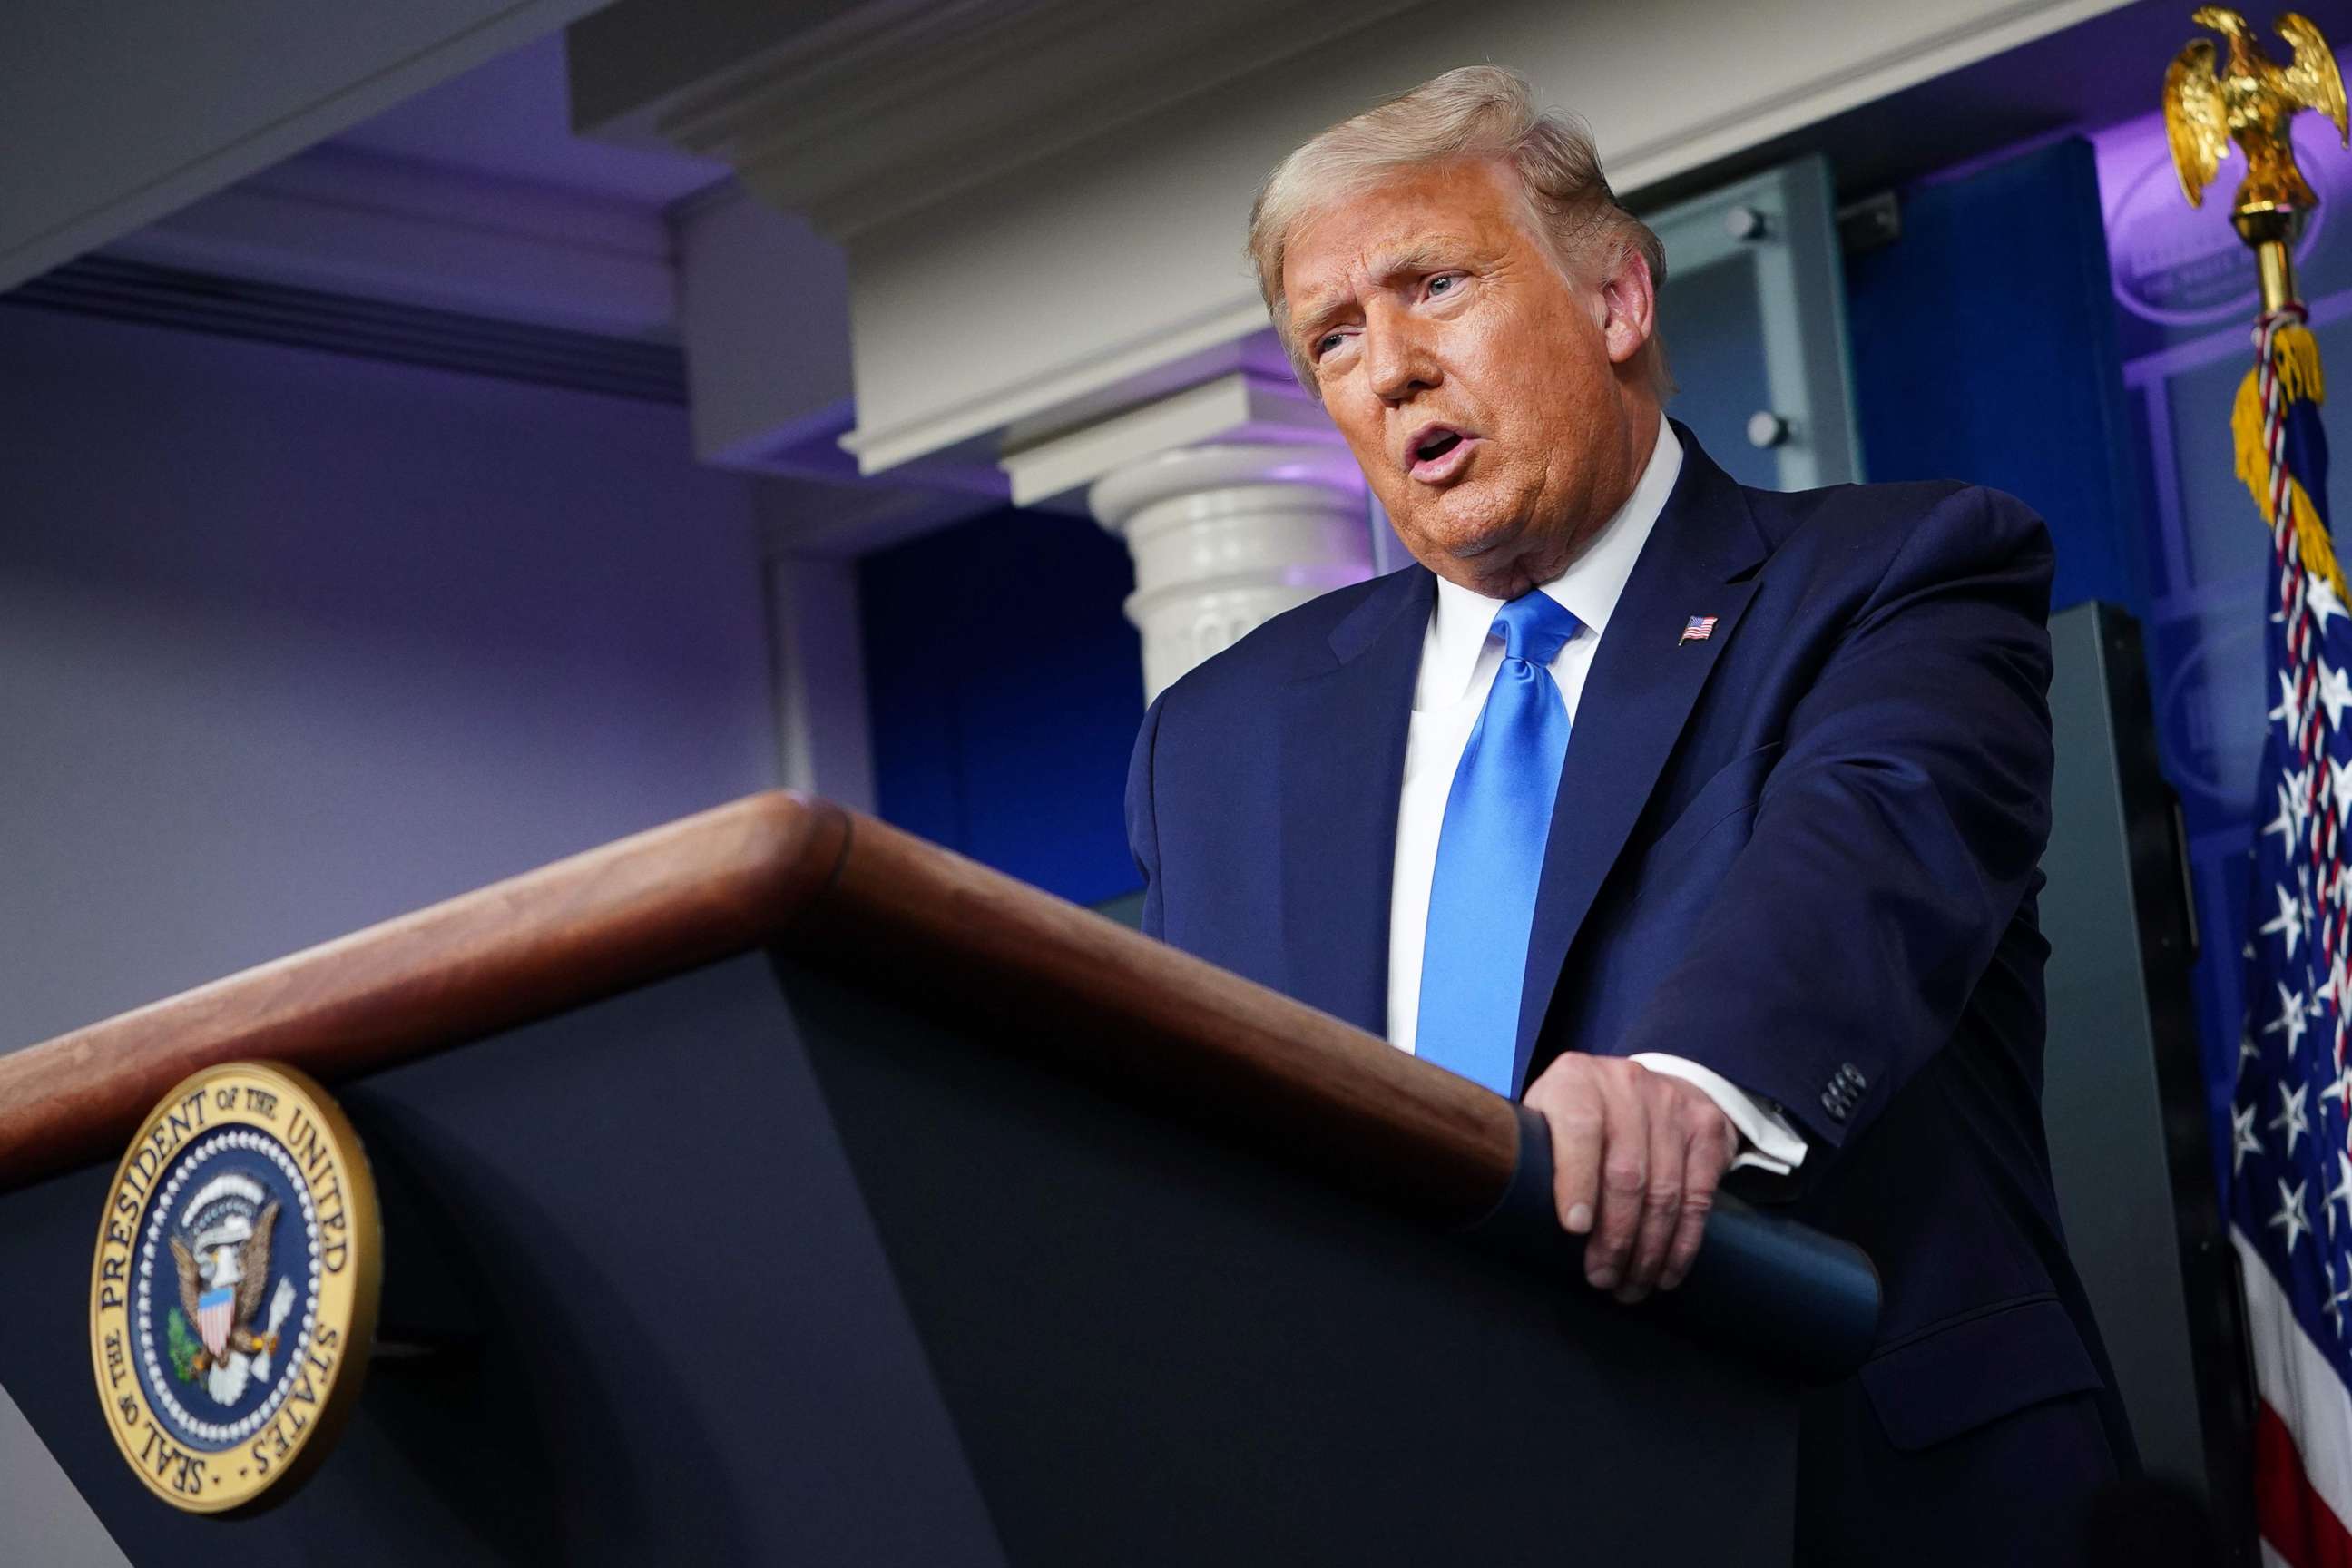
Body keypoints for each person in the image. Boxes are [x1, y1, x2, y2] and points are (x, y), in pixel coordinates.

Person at [1123, 64, 2132, 1564]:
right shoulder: (1216, 743)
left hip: (1839, 1496)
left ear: (1616, 302)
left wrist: (1686, 1086)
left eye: (1435, 287)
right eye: (1333, 338)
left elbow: (1874, 854)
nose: (1388, 367)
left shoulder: (1895, 577)